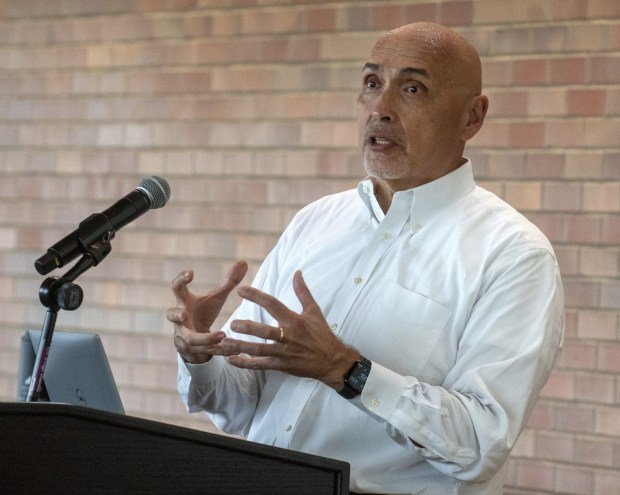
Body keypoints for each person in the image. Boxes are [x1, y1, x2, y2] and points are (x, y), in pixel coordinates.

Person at [167, 22, 564, 494]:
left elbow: (480, 445)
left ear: (472, 118)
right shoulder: (315, 222)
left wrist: (346, 370)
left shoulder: (514, 255)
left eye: (412, 88)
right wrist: (203, 356)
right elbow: (241, 408)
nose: (381, 108)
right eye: (372, 84)